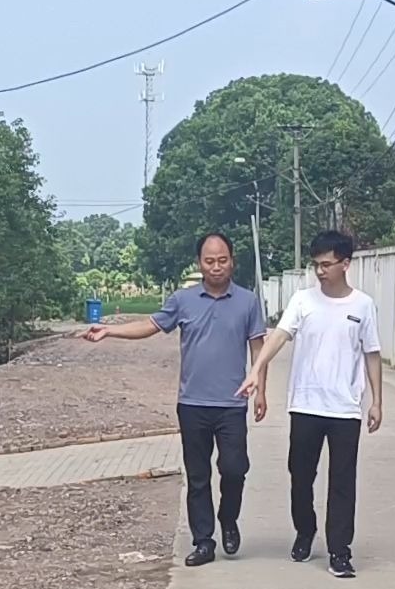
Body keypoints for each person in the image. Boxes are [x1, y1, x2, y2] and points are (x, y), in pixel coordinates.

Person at [85, 232, 267, 566]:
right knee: (197, 476)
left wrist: (261, 390)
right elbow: (151, 324)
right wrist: (110, 330)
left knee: (234, 469)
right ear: (199, 264)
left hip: (232, 404)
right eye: (209, 261)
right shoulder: (183, 300)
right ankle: (203, 541)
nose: (216, 267)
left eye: (222, 260)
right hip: (193, 404)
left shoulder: (248, 301)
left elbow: (258, 347)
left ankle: (228, 518)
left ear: (232, 261)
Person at [239, 230, 383, 579]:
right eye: (316, 265)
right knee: (300, 475)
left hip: (345, 408)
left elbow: (372, 353)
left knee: (343, 482)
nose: (320, 271)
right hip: (305, 405)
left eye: (327, 264)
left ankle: (340, 551)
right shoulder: (303, 301)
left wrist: (377, 401)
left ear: (345, 264)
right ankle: (305, 531)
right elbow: (279, 336)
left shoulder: (362, 305)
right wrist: (257, 369)